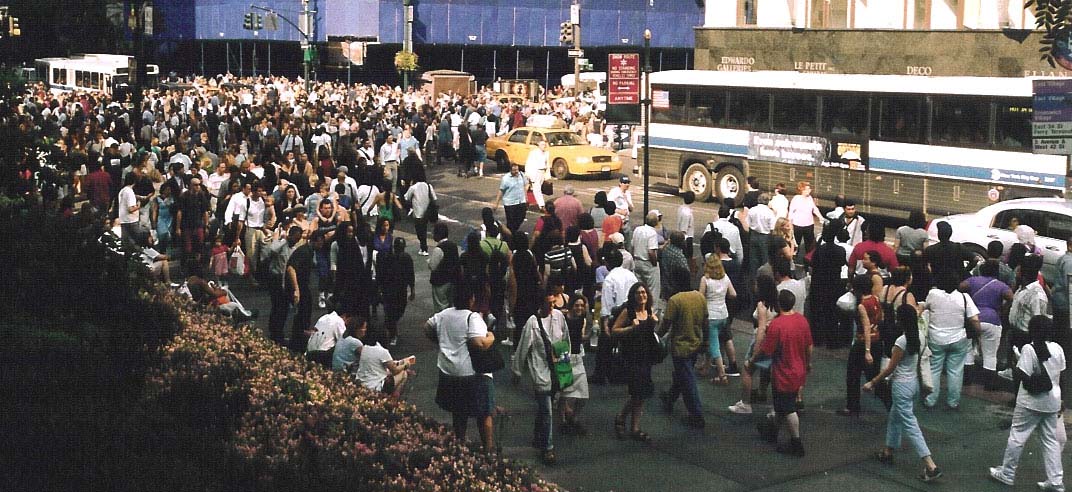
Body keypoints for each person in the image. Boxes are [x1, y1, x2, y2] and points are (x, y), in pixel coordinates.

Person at [863, 304, 943, 483]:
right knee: (895, 416)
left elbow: (891, 368)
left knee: (910, 424)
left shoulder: (902, 341)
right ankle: (888, 451)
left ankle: (930, 465)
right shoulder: (920, 336)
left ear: (901, 320)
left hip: (900, 386)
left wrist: (872, 382)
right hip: (913, 383)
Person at [989, 315, 1066, 491]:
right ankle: (1056, 481)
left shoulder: (1029, 349)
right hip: (1052, 400)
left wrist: (1016, 362)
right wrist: (1061, 399)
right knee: (1050, 440)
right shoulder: (1058, 349)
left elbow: (1023, 376)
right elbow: (1061, 376)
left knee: (1018, 436)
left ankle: (1007, 473)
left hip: (1030, 402)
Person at [426, 287, 497, 451]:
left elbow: (427, 327)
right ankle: (488, 448)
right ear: (471, 299)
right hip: (472, 373)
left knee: (458, 413)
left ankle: (460, 444)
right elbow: (477, 343)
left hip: (449, 371)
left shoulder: (444, 314)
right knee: (484, 412)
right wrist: (491, 338)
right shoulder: (473, 317)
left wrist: (441, 342)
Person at [749, 290, 813, 457]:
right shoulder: (802, 320)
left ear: (779, 304)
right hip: (799, 369)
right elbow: (808, 346)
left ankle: (796, 443)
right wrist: (808, 363)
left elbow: (766, 350)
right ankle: (772, 431)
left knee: (788, 408)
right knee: (782, 404)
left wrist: (753, 360)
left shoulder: (777, 325)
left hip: (783, 372)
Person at [511, 288, 570, 465]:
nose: (552, 307)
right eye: (548, 303)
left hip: (557, 370)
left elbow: (565, 340)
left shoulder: (559, 317)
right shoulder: (532, 323)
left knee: (546, 409)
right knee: (547, 410)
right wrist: (517, 371)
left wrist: (566, 368)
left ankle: (539, 436)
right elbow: (522, 348)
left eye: (553, 303)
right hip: (540, 371)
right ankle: (548, 447)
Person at [609, 282, 659, 443]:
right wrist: (631, 328)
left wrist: (653, 323)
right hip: (632, 356)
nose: (642, 296)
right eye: (638, 293)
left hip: (646, 356)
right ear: (633, 296)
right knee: (637, 391)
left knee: (642, 393)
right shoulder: (628, 312)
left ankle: (634, 427)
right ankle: (622, 416)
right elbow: (615, 331)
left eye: (644, 293)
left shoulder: (649, 311)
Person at [924, 274, 981, 410]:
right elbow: (974, 319)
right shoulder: (964, 297)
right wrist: (978, 334)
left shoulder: (933, 294)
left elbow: (925, 308)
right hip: (958, 338)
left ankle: (931, 399)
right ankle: (953, 402)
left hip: (936, 338)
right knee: (955, 371)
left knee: (934, 369)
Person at [838, 274, 891, 417]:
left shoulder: (861, 305)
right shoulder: (876, 300)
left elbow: (866, 327)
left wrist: (867, 350)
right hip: (877, 341)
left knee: (853, 374)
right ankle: (890, 403)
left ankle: (852, 406)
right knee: (874, 375)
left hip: (864, 343)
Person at [658, 281, 708, 429]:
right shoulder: (699, 297)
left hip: (680, 348)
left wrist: (654, 337)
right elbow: (705, 322)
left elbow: (666, 325)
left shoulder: (675, 300)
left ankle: (696, 415)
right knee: (683, 376)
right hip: (696, 344)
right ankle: (670, 398)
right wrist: (706, 342)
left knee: (688, 381)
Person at [729, 273, 779, 415]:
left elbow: (761, 328)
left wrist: (755, 352)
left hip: (761, 338)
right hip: (774, 339)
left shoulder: (762, 305)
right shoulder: (777, 304)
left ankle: (745, 403)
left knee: (747, 369)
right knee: (771, 371)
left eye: (757, 284)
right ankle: (776, 405)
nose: (754, 286)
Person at [962, 260, 1013, 390]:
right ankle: (989, 384)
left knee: (968, 349)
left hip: (973, 318)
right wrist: (1003, 309)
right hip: (992, 320)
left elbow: (960, 287)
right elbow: (1011, 297)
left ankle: (966, 379)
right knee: (990, 354)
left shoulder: (973, 280)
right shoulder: (1000, 285)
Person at [699, 254, 737, 386]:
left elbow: (700, 297)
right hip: (723, 314)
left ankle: (722, 375)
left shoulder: (705, 280)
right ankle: (706, 366)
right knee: (720, 340)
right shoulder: (725, 278)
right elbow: (733, 294)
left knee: (714, 345)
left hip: (711, 316)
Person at [265, 225, 302, 345]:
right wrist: (284, 239)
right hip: (275, 278)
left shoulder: (295, 250)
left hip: (286, 280)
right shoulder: (281, 244)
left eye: (298, 239)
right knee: (277, 306)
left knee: (284, 308)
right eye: (294, 238)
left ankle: (279, 332)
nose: (295, 241)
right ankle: (273, 332)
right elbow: (272, 250)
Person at [560, 295, 591, 436]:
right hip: (564, 356)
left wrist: (590, 335)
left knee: (583, 395)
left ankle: (573, 416)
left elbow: (581, 337)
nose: (579, 308)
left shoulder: (582, 320)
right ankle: (563, 421)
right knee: (564, 393)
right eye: (577, 305)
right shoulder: (563, 319)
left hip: (577, 358)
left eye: (582, 306)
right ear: (571, 305)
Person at [288, 230, 321, 352]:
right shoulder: (304, 252)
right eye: (320, 242)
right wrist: (296, 289)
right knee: (301, 316)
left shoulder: (310, 251)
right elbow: (291, 268)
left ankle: (299, 343)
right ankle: (297, 344)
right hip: (300, 287)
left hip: (304, 286)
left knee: (304, 315)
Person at [378, 237, 415, 346]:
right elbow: (383, 274)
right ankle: (392, 332)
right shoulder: (390, 258)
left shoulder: (404, 258)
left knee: (397, 310)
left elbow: (410, 274)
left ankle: (390, 325)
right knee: (392, 312)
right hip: (391, 289)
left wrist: (412, 288)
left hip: (398, 289)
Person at [509, 231, 542, 346]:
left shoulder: (514, 258)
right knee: (532, 324)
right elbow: (537, 275)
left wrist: (511, 306)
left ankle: (517, 352)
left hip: (520, 298)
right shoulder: (530, 255)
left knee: (520, 327)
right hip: (532, 294)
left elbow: (513, 284)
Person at [924, 221, 975, 291]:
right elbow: (975, 259)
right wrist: (965, 271)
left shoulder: (930, 250)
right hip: (956, 282)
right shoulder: (959, 247)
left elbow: (924, 265)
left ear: (939, 235)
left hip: (938, 282)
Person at [631, 211, 663, 312]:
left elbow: (632, 245)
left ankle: (639, 310)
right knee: (653, 290)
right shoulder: (652, 233)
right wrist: (654, 264)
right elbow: (651, 251)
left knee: (639, 288)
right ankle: (652, 312)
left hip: (637, 261)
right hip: (648, 263)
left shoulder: (637, 229)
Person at [403, 168, 436, 255]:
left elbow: (406, 197)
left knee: (419, 231)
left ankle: (423, 248)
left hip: (418, 213)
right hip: (427, 212)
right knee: (424, 229)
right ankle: (423, 247)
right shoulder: (428, 186)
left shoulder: (413, 187)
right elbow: (434, 198)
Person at [429, 223, 460, 313]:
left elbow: (433, 266)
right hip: (452, 280)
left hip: (440, 281)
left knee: (440, 306)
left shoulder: (438, 249)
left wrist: (429, 262)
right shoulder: (453, 245)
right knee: (450, 304)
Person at [788, 181, 824, 258]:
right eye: (808, 189)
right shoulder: (796, 199)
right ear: (802, 190)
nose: (810, 190)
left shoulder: (810, 198)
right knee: (796, 243)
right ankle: (793, 259)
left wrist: (820, 217)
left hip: (809, 225)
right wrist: (789, 224)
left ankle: (809, 260)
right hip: (798, 225)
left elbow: (814, 209)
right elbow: (791, 212)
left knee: (810, 244)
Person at [492, 162, 529, 235]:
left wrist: (526, 196)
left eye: (517, 170)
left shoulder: (521, 175)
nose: (516, 172)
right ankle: (510, 235)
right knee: (511, 222)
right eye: (514, 170)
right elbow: (501, 190)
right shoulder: (506, 179)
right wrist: (496, 203)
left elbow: (526, 184)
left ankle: (509, 232)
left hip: (521, 201)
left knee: (521, 217)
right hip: (510, 203)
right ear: (510, 170)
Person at [746, 192, 777, 276]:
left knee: (753, 259)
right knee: (765, 259)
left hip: (753, 234)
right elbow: (772, 228)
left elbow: (747, 224)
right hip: (765, 236)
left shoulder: (752, 210)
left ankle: (753, 278)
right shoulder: (770, 213)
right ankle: (764, 277)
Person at [526, 140, 550, 209]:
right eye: (542, 144)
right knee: (537, 189)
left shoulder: (546, 153)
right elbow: (529, 163)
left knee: (533, 188)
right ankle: (541, 205)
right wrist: (528, 174)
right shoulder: (533, 153)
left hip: (542, 173)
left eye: (544, 144)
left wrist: (547, 175)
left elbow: (547, 164)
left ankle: (527, 201)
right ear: (538, 145)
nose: (544, 146)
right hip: (535, 172)